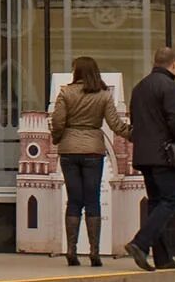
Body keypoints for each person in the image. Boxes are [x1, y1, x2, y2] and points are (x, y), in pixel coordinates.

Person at [50, 56, 130, 267]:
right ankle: (94, 252)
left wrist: (59, 138)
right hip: (94, 150)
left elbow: (57, 122)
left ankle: (71, 250)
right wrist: (134, 134)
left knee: (74, 199)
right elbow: (115, 125)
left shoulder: (65, 93)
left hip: (68, 150)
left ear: (76, 71)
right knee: (92, 199)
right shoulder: (104, 95)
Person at [125, 46, 175, 272]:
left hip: (144, 155)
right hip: (166, 156)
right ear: (174, 65)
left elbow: (136, 121)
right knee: (169, 201)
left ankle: (164, 257)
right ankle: (140, 243)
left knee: (157, 203)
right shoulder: (170, 87)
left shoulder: (139, 88)